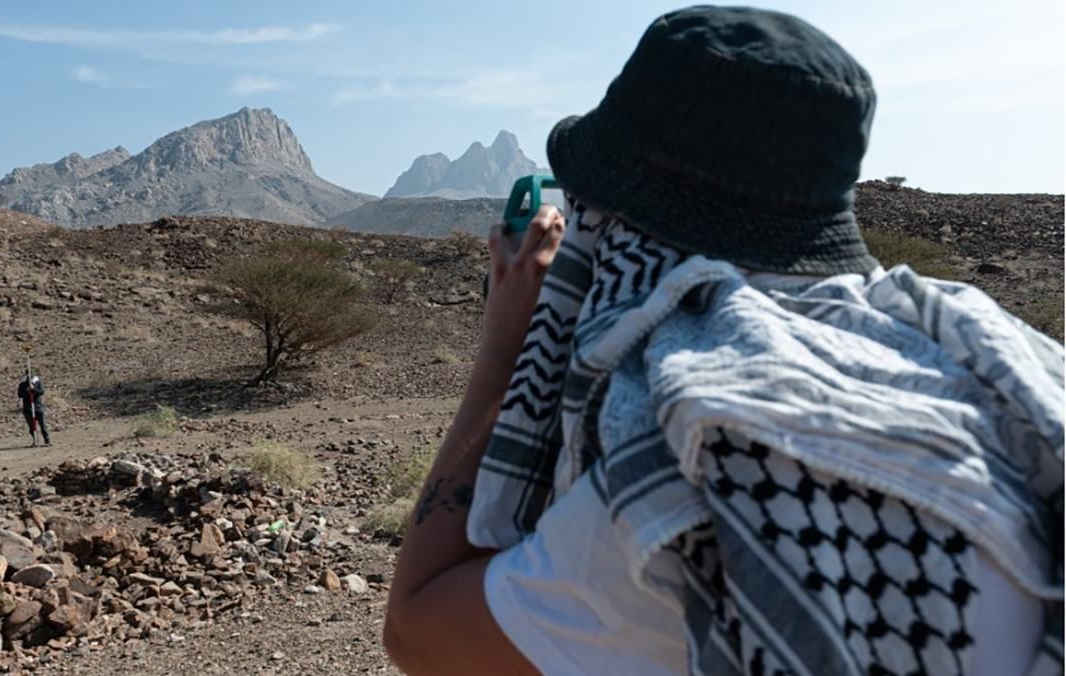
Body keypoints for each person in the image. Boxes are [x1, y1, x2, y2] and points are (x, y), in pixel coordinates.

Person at [383, 6, 1062, 676]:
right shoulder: (1008, 378)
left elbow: (419, 630)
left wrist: (504, 350)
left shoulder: (678, 480)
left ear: (622, 233)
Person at [17, 374, 51, 447]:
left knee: (43, 425)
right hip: (28, 407)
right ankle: (35, 441)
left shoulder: (37, 382)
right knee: (32, 426)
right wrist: (27, 390)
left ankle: (47, 440)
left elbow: (41, 392)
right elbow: (20, 394)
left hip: (38, 406)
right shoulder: (22, 384)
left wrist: (33, 389)